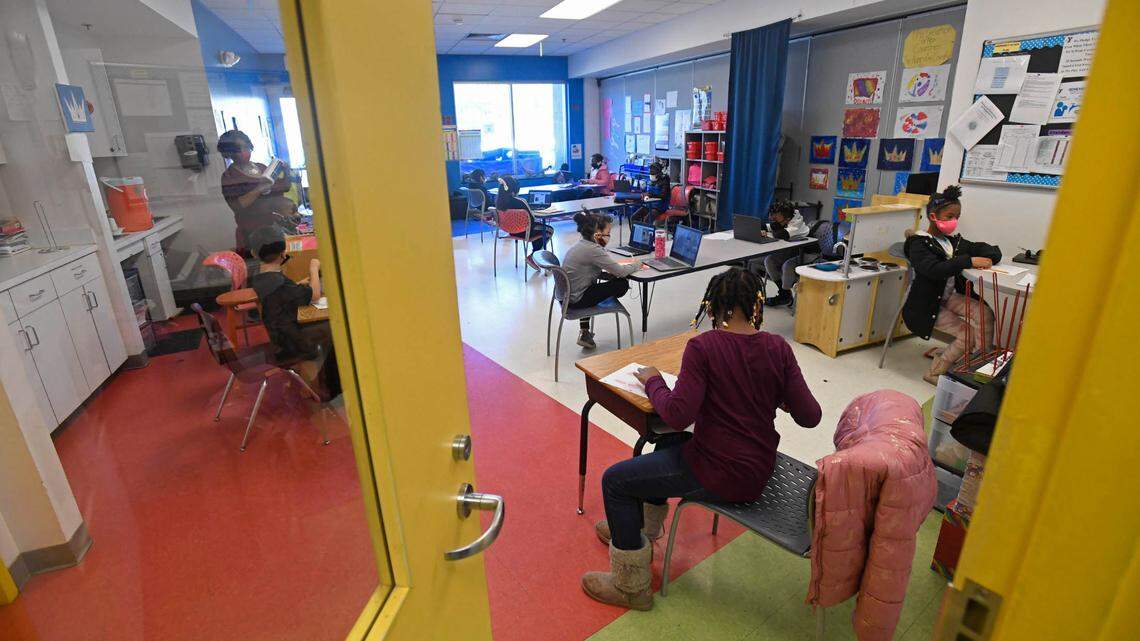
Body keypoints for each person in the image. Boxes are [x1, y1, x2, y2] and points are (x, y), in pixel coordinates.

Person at [581, 267, 822, 610]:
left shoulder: (704, 347)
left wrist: (653, 382)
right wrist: (780, 396)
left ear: (712, 307)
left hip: (718, 472)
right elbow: (810, 417)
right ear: (757, 305)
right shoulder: (778, 348)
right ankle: (641, 532)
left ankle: (630, 586)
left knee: (616, 481)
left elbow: (678, 414)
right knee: (668, 442)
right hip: (757, 468)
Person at [902, 185, 1001, 385]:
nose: (954, 221)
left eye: (957, 216)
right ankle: (935, 372)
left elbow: (984, 249)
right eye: (949, 216)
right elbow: (933, 269)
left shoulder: (952, 242)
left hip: (947, 297)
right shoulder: (919, 244)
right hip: (926, 304)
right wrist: (968, 261)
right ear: (932, 216)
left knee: (985, 314)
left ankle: (980, 364)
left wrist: (989, 255)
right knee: (967, 334)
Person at [248, 228, 340, 399]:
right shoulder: (280, 283)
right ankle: (328, 388)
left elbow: (280, 295)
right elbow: (314, 295)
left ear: (254, 253)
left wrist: (298, 285)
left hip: (278, 333)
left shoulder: (260, 277)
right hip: (289, 342)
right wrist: (314, 268)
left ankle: (319, 379)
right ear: (284, 253)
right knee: (335, 330)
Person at [562, 210, 643, 349]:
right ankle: (585, 332)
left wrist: (608, 275)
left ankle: (584, 332)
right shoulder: (593, 250)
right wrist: (637, 264)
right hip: (578, 300)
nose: (609, 236)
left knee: (606, 281)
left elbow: (588, 273)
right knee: (621, 284)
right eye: (608, 232)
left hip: (568, 296)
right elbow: (620, 271)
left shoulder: (582, 244)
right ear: (597, 233)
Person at [217, 130, 298, 254]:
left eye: (246, 146)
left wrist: (286, 169)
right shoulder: (229, 176)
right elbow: (237, 206)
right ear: (229, 153)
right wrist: (259, 188)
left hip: (272, 229)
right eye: (238, 149)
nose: (244, 152)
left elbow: (283, 188)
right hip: (252, 234)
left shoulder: (261, 167)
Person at [758, 200, 810, 307]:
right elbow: (769, 226)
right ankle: (785, 294)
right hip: (792, 251)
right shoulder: (783, 220)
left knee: (787, 266)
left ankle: (785, 292)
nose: (773, 218)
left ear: (786, 217)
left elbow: (781, 234)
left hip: (807, 253)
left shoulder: (796, 224)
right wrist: (761, 228)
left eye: (776, 216)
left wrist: (767, 232)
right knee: (769, 260)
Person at [494, 175, 553, 269]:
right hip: (526, 232)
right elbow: (532, 220)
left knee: (539, 229)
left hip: (511, 230)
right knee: (548, 230)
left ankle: (535, 255)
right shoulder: (521, 201)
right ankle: (533, 256)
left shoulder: (498, 202)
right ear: (515, 189)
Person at [630, 162, 671, 227]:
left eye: (653, 174)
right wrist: (645, 195)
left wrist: (651, 195)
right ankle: (636, 234)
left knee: (647, 220)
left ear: (658, 174)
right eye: (650, 173)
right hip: (649, 205)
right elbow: (648, 191)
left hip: (660, 207)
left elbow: (663, 196)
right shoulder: (651, 181)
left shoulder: (665, 181)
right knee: (633, 218)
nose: (651, 175)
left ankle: (647, 236)